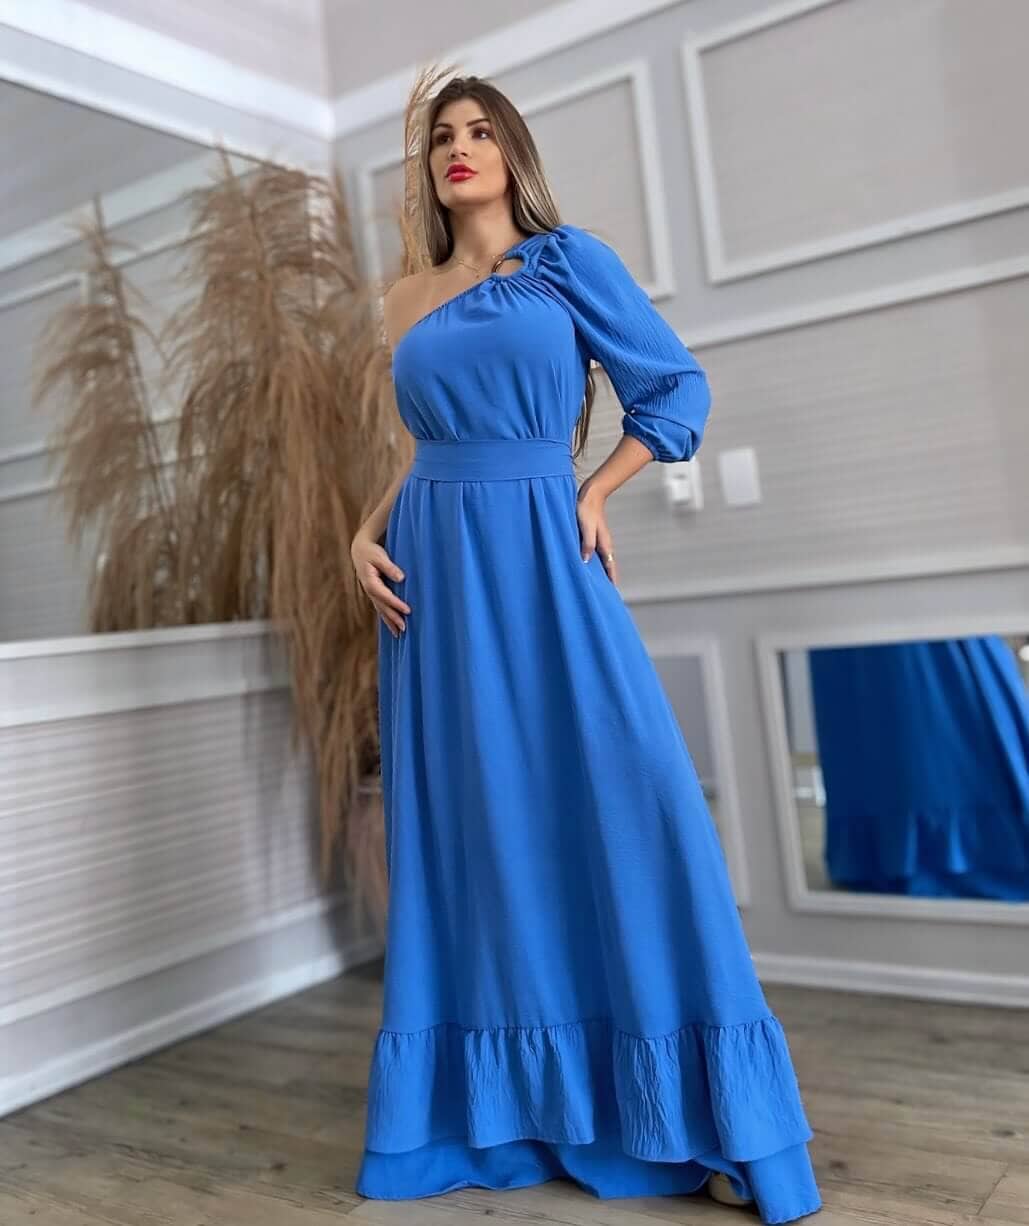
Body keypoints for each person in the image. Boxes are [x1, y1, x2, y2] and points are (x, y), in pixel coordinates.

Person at [349, 70, 823, 1224]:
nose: (458, 149)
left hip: (541, 549)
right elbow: (422, 448)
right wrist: (363, 530)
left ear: (513, 153)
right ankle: (505, 1112)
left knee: (634, 796)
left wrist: (598, 488)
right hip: (430, 577)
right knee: (478, 833)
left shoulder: (569, 263)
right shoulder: (404, 298)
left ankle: (702, 1110)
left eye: (480, 132)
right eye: (441, 138)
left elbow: (674, 389)